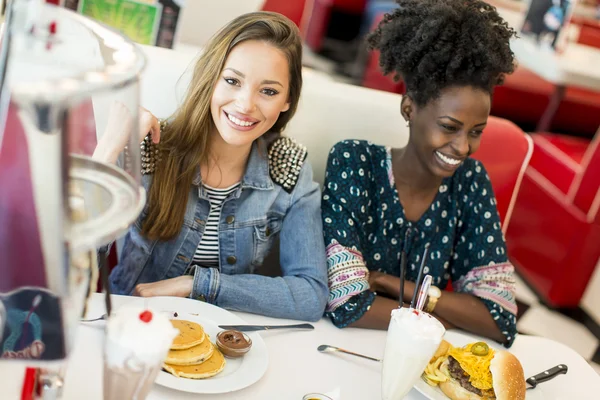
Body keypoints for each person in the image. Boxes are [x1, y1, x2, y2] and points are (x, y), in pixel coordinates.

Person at [94, 12, 328, 322]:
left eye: (268, 91)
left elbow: (311, 294)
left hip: (220, 340)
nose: (245, 105)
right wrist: (108, 153)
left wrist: (195, 285)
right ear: (210, 79)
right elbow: (65, 258)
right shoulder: (151, 146)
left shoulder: (288, 169)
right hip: (131, 328)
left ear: (287, 99)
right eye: (232, 81)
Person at [322, 0, 519, 346]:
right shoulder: (354, 162)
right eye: (449, 127)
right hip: (341, 349)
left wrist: (389, 284)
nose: (462, 147)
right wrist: (442, 314)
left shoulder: (470, 181)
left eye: (476, 131)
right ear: (409, 107)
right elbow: (347, 304)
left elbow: (499, 318)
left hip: (424, 364)